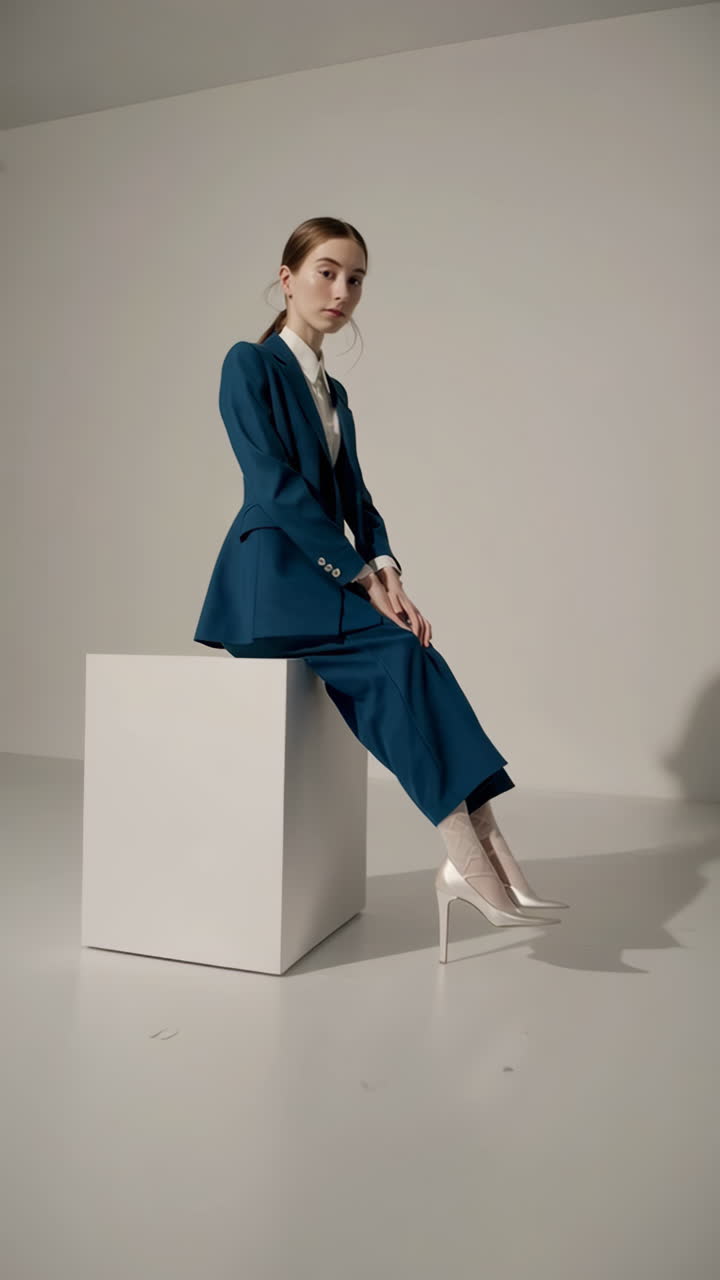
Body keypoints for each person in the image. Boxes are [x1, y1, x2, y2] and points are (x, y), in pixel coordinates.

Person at [194, 216, 568, 962]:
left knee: (418, 654)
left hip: (325, 581)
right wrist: (360, 577)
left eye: (356, 278)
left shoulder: (334, 393)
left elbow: (357, 501)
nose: (342, 290)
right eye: (327, 271)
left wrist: (388, 570)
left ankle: (491, 856)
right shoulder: (251, 364)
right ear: (287, 275)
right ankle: (472, 862)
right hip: (271, 586)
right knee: (400, 660)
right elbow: (272, 486)